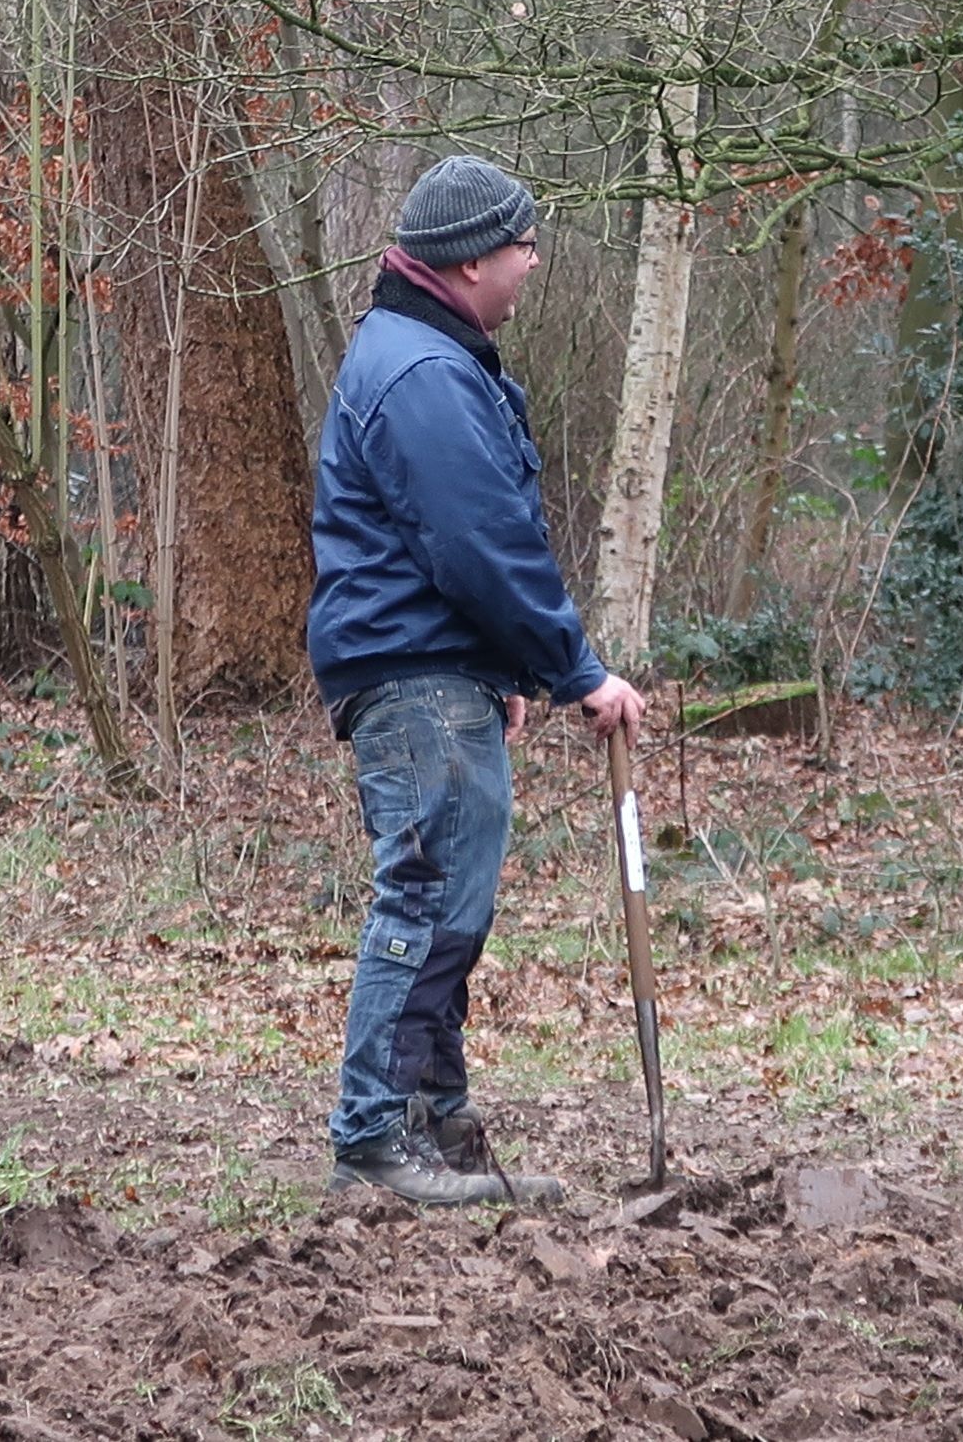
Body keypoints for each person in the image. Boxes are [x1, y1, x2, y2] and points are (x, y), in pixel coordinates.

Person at [305, 154, 648, 1207]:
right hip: (411, 672)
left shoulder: (430, 354)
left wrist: (491, 666)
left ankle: (433, 1123)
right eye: (519, 245)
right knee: (422, 892)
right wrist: (572, 669)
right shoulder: (421, 372)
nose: (532, 264)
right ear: (465, 260)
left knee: (451, 900)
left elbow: (448, 547)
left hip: (432, 666)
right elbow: (477, 543)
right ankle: (374, 1136)